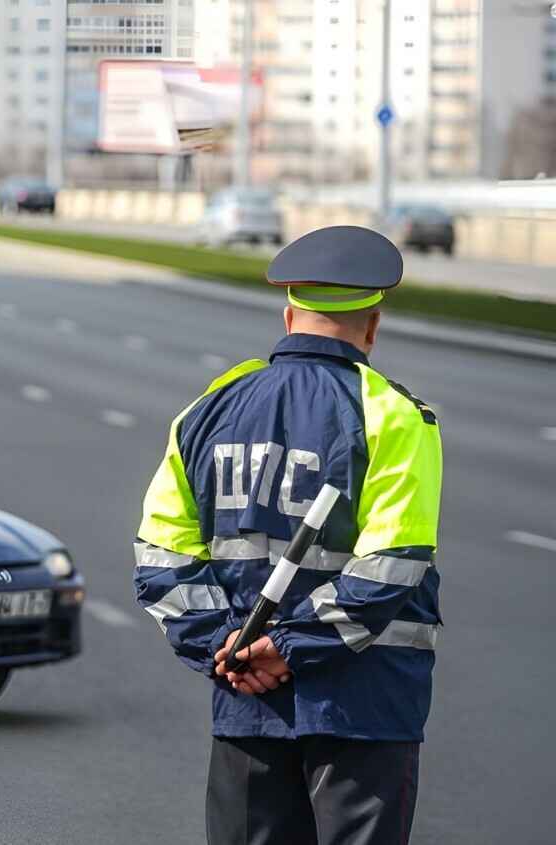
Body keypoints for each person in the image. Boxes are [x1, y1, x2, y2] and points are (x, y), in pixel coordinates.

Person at [134, 225, 442, 844]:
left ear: (289, 314)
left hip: (245, 699)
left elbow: (160, 555)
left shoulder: (208, 409)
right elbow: (393, 562)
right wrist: (291, 649)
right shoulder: (394, 417)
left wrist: (227, 649)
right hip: (365, 706)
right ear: (373, 325)